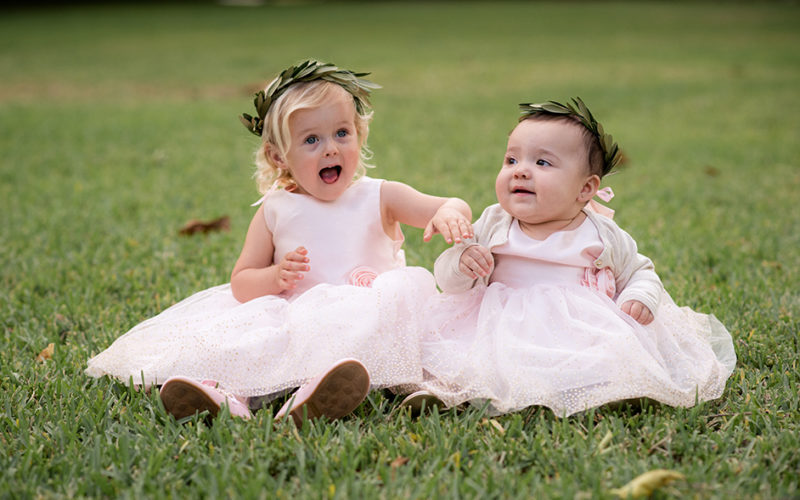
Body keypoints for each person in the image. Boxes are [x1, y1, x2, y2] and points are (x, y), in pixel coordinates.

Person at [86, 60, 473, 424]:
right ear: (278, 155)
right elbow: (242, 281)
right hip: (298, 312)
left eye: (342, 133)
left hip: (370, 310)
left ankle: (420, 389)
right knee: (249, 344)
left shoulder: (380, 195)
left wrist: (448, 214)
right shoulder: (275, 209)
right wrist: (275, 277)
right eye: (311, 140)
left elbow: (449, 203)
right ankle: (230, 396)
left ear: (359, 134)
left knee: (415, 333)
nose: (331, 148)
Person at [406, 98, 736, 417]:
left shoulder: (601, 234)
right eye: (511, 160)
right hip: (498, 325)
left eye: (542, 162)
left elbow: (640, 271)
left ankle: (614, 391)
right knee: (462, 356)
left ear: (585, 189)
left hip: (578, 327)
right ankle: (443, 393)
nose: (520, 172)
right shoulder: (493, 223)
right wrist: (462, 263)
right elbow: (447, 281)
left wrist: (640, 296)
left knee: (603, 357)